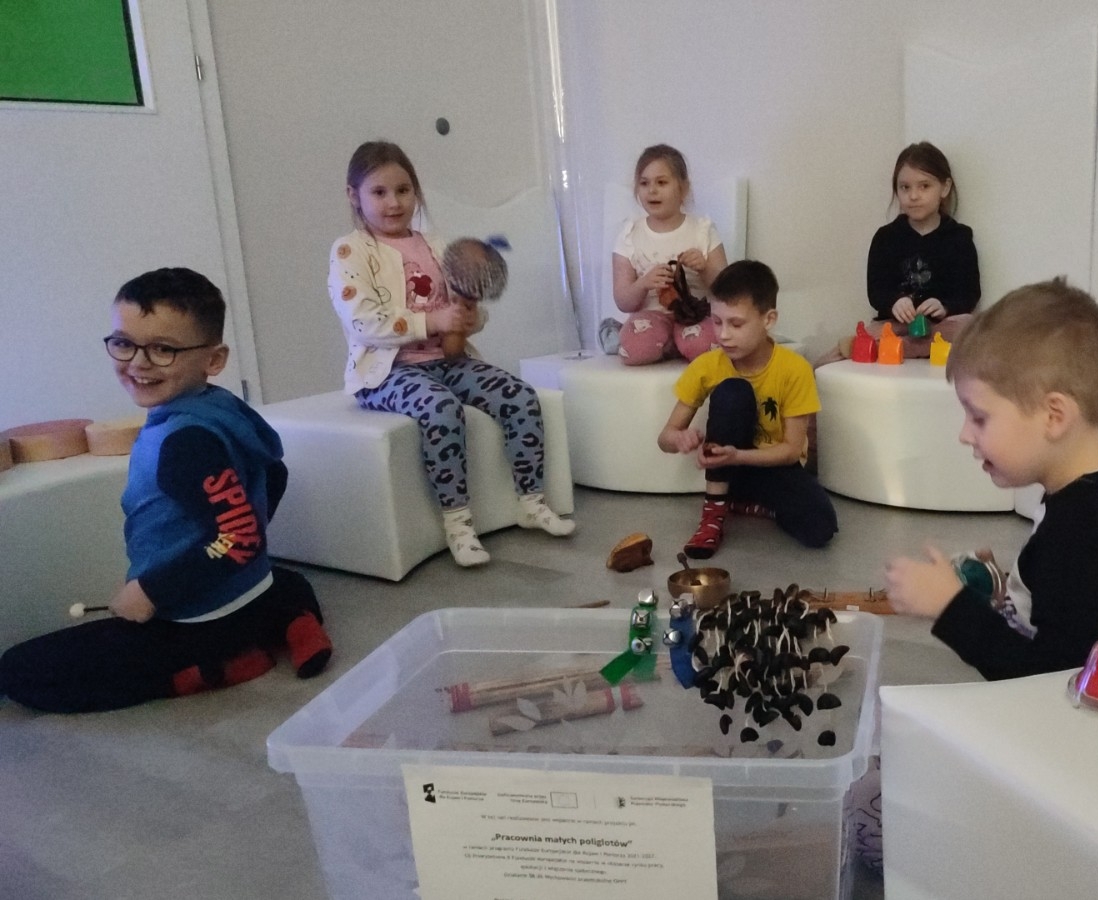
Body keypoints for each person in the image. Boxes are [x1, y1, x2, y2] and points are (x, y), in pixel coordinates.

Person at [0, 269, 332, 713]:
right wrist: (242, 534)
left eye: (163, 349)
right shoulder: (223, 406)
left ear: (213, 359)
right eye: (124, 343)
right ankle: (296, 623)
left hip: (193, 618)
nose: (138, 362)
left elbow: (239, 538)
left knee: (19, 671)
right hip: (247, 587)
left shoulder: (184, 442)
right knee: (286, 582)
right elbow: (275, 475)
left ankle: (207, 669)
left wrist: (150, 591)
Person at [884, 278, 1098, 679]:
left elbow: (1051, 678)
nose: (964, 434)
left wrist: (950, 608)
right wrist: (1015, 589)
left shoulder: (1082, 530)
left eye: (979, 417)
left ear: (1054, 416)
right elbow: (1077, 608)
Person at [330, 140, 574, 568]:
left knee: (519, 395)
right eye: (379, 192)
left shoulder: (436, 244)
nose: (394, 203)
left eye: (403, 190)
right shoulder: (350, 251)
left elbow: (464, 315)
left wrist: (470, 314)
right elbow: (362, 322)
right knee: (441, 409)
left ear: (416, 192)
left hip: (448, 361)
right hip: (386, 373)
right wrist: (433, 322)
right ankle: (459, 524)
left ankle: (531, 501)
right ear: (354, 196)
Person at [658, 260, 837, 559]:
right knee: (733, 391)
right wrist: (678, 438)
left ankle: (746, 503)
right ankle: (713, 513)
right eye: (717, 322)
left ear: (768, 320)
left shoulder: (795, 369)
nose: (723, 335)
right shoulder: (707, 366)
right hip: (728, 470)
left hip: (772, 465)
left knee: (821, 528)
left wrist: (738, 456)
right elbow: (665, 437)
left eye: (736, 324)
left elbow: (791, 451)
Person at [820, 142, 981, 364]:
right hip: (897, 326)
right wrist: (895, 302)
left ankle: (892, 348)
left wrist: (944, 306)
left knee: (967, 326)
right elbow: (876, 291)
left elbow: (970, 292)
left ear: (944, 188)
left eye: (924, 186)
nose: (913, 196)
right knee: (874, 332)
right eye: (905, 187)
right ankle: (897, 346)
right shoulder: (886, 237)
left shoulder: (959, 237)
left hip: (940, 327)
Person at [612, 144, 729, 365]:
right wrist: (643, 284)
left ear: (683, 189)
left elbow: (726, 289)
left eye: (661, 182)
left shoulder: (702, 230)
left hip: (695, 313)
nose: (652, 190)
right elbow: (623, 301)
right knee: (635, 348)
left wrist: (704, 268)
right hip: (650, 318)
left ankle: (676, 343)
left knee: (704, 345)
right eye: (644, 183)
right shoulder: (629, 235)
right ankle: (667, 342)